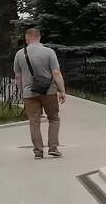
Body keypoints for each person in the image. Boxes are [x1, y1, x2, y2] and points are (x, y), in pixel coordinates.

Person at [13, 27, 67, 160]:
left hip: (29, 93)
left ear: (27, 38)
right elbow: (56, 73)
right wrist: (62, 90)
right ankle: (53, 148)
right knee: (53, 118)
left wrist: (21, 92)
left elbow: (18, 76)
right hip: (48, 91)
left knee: (34, 121)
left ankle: (38, 151)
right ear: (39, 37)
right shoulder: (49, 52)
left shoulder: (20, 54)